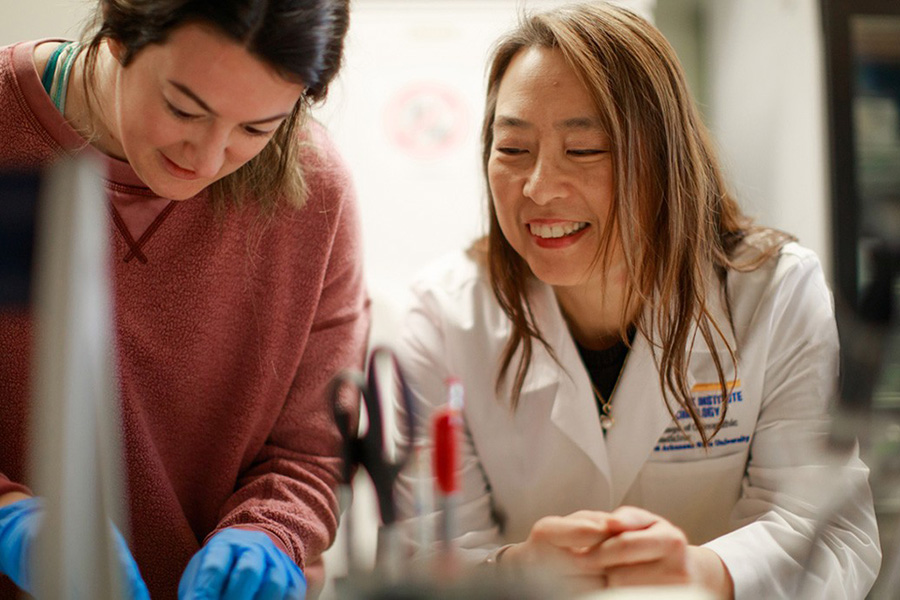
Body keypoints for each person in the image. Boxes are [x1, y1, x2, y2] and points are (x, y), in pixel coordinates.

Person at [392, 2, 882, 598]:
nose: (539, 187)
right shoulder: (444, 318)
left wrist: (704, 573)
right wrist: (516, 571)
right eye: (513, 150)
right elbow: (423, 553)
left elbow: (831, 536)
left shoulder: (773, 292)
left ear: (665, 158)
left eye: (585, 150)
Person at [0, 1, 368, 598]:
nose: (205, 158)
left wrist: (268, 535)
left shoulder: (314, 191)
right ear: (120, 34)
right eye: (183, 108)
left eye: (257, 128)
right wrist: (10, 518)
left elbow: (312, 450)